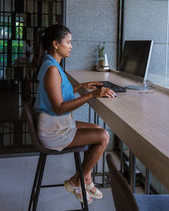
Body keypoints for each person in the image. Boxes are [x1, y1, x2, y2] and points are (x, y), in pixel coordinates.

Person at [32, 24, 116, 204]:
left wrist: (82, 87)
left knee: (96, 128)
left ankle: (85, 180)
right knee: (103, 136)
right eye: (68, 42)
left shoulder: (52, 64)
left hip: (55, 123)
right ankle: (77, 180)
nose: (71, 46)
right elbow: (59, 107)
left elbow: (58, 93)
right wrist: (93, 95)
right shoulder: (52, 69)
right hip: (53, 130)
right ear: (56, 44)